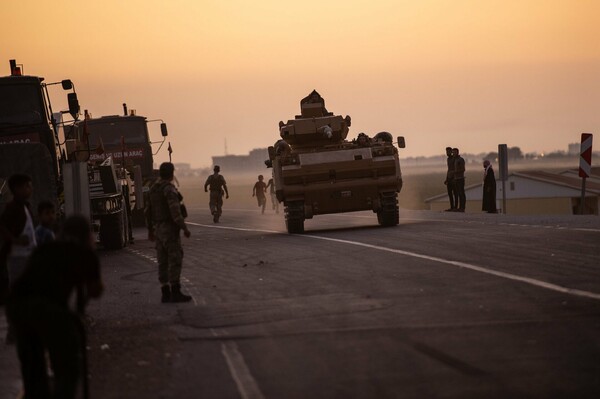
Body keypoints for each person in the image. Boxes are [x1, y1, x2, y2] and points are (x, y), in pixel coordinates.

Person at [5, 215, 103, 399]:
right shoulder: (84, 254)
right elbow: (96, 290)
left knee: (33, 368)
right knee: (68, 364)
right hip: (46, 308)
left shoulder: (46, 248)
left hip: (17, 307)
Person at [146, 162, 193, 303]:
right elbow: (175, 211)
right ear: (172, 173)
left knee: (162, 261)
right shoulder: (169, 189)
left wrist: (150, 230)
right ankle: (175, 291)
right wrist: (184, 228)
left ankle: (165, 292)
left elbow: (147, 212)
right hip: (169, 229)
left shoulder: (153, 189)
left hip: (158, 229)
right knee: (175, 259)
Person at [443, 147, 458, 211]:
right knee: (450, 194)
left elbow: (455, 169)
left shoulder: (454, 159)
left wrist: (454, 177)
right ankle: (452, 207)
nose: (447, 153)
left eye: (448, 152)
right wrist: (446, 178)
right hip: (449, 178)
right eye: (446, 152)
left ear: (451, 152)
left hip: (454, 178)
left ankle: (455, 207)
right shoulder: (448, 159)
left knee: (455, 193)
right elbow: (449, 169)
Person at [453, 148, 466, 212]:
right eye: (453, 152)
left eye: (455, 152)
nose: (454, 153)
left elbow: (463, 169)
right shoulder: (455, 160)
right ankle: (459, 207)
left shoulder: (460, 160)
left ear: (458, 152)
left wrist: (455, 172)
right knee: (458, 193)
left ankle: (462, 207)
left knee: (461, 193)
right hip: (456, 179)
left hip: (460, 178)